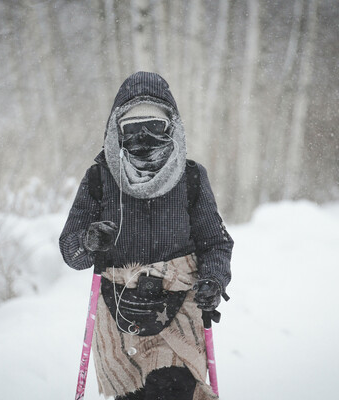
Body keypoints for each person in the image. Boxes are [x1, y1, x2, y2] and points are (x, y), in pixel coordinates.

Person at [60, 71, 233, 400]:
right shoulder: (99, 178)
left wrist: (214, 280)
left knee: (173, 390)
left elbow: (216, 244)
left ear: (171, 127)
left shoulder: (191, 177)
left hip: (180, 312)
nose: (143, 137)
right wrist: (87, 241)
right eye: (132, 129)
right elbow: (70, 250)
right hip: (118, 314)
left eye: (154, 127)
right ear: (117, 133)